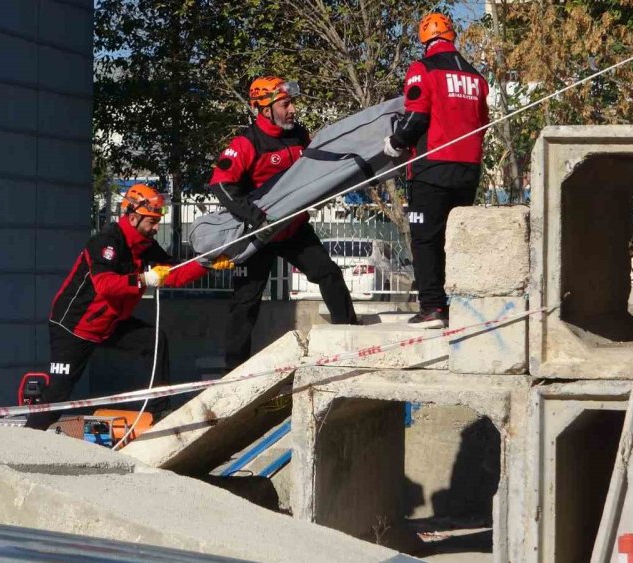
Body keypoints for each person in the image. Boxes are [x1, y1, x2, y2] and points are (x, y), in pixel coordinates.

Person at [25, 184, 233, 430]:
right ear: (133, 217)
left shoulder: (145, 244)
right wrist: (144, 279)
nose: (156, 227)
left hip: (110, 322)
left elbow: (172, 273)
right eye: (152, 221)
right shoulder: (106, 242)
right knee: (56, 399)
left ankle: (160, 410)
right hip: (74, 327)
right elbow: (106, 286)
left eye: (158, 221)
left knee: (155, 340)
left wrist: (206, 265)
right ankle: (26, 439)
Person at [208, 76, 358, 370]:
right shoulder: (246, 143)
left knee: (328, 273)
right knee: (245, 302)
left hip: (293, 228)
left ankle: (351, 335)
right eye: (286, 104)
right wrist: (255, 218)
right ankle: (233, 373)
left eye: (292, 104)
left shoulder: (299, 135)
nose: (292, 110)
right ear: (264, 109)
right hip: (258, 234)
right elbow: (221, 184)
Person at [383, 13, 490, 328]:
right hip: (468, 169)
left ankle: (432, 307)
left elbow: (416, 117)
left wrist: (396, 142)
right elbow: (483, 123)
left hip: (432, 167)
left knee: (426, 239)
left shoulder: (423, 69)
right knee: (455, 239)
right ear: (452, 36)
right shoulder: (476, 77)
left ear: (424, 38)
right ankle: (459, 306)